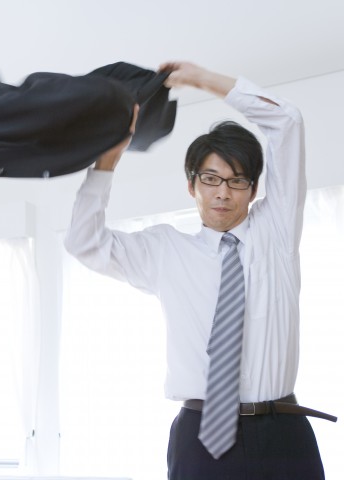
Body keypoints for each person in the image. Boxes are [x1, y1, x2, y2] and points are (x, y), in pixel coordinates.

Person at [65, 62, 334, 479]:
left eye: (237, 180)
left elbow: (287, 120)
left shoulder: (276, 230)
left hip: (283, 433)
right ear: (192, 186)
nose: (223, 192)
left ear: (254, 189)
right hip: (202, 437)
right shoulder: (165, 250)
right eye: (211, 178)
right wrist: (106, 163)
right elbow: (84, 243)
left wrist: (199, 80)